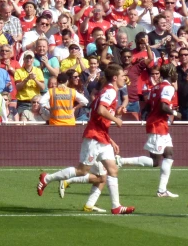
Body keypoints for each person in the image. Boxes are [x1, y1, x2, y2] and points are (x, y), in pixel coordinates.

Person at [37, 64, 135, 215]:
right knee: (82, 170)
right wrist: (116, 119)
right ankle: (47, 178)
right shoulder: (110, 92)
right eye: (122, 76)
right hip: (94, 138)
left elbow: (99, 117)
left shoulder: (108, 92)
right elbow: (101, 110)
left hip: (102, 137)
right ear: (115, 78)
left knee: (111, 170)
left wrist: (111, 139)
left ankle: (116, 206)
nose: (125, 78)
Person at [117, 64, 181, 198]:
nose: (176, 75)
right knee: (155, 162)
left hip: (160, 125)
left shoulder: (155, 87)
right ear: (170, 73)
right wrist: (175, 112)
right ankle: (121, 161)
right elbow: (163, 106)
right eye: (175, 72)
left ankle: (162, 190)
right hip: (157, 125)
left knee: (169, 154)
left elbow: (148, 106)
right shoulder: (167, 88)